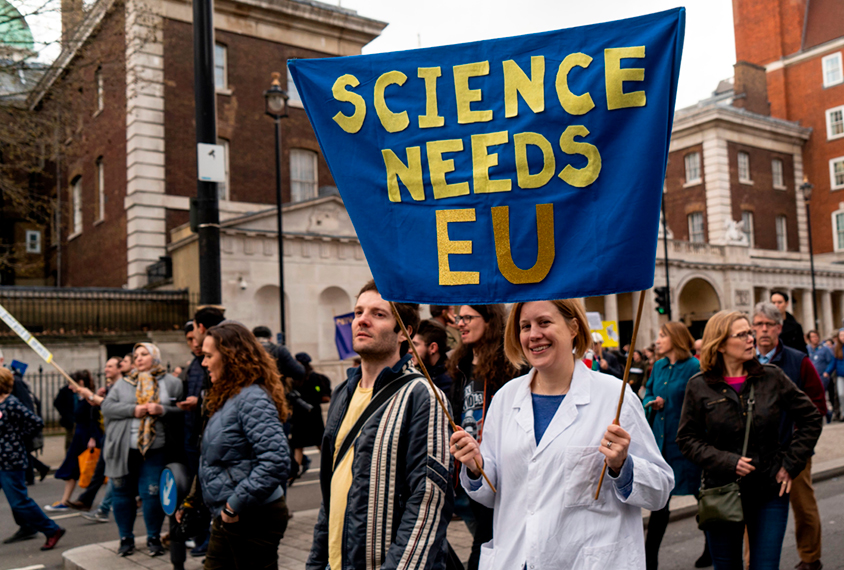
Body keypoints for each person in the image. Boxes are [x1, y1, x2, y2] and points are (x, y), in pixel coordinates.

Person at [450, 299, 674, 569]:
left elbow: (660, 490)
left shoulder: (615, 397)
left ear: (573, 328)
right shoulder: (506, 398)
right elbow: (491, 492)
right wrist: (476, 468)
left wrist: (623, 467)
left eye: (544, 322)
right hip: (515, 559)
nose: (534, 335)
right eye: (525, 326)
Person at [306, 280, 454, 570]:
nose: (362, 319)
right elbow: (331, 495)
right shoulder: (342, 393)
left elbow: (427, 501)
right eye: (358, 311)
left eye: (378, 314)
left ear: (405, 333)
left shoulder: (422, 396)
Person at [677, 310, 823, 570]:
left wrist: (790, 464)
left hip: (769, 490)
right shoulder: (699, 385)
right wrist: (726, 461)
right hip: (721, 491)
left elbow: (811, 417)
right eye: (742, 334)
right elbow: (687, 439)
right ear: (720, 344)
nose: (750, 339)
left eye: (750, 333)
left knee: (765, 566)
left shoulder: (771, 376)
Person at [183, 322, 291, 570]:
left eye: (209, 356)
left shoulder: (251, 397)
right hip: (233, 513)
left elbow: (276, 461)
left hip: (253, 515)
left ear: (231, 356)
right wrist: (193, 501)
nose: (204, 363)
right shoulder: (228, 396)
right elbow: (215, 460)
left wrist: (234, 505)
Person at [752, 302, 827, 570]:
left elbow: (817, 407)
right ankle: (753, 562)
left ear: (779, 328)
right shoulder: (744, 362)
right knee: (754, 512)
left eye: (769, 325)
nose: (763, 330)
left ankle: (810, 557)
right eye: (759, 324)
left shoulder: (798, 361)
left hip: (794, 450)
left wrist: (798, 446)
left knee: (803, 508)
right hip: (757, 454)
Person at [448, 304, 517, 570]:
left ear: (489, 321)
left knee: (484, 544)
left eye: (468, 318)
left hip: (495, 474)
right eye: (459, 318)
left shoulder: (507, 364)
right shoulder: (461, 365)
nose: (461, 323)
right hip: (466, 472)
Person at [102, 342, 184, 557]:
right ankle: (125, 538)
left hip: (155, 449)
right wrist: (133, 410)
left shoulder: (172, 383)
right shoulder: (123, 384)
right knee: (122, 493)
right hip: (124, 449)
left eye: (144, 354)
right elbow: (107, 408)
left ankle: (153, 538)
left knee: (152, 493)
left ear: (155, 356)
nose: (138, 358)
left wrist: (162, 410)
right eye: (136, 355)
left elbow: (182, 412)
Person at [642, 322, 707, 570]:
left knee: (703, 498)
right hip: (662, 445)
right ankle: (650, 561)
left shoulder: (694, 366)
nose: (657, 340)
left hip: (688, 446)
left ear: (676, 339)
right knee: (660, 504)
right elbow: (646, 393)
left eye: (662, 336)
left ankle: (711, 547)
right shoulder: (658, 366)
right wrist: (651, 402)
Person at [0, 367, 66, 549]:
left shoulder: (11, 403)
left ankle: (52, 529)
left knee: (19, 502)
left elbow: (36, 422)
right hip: (1, 460)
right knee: (18, 502)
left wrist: (17, 437)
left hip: (11, 461)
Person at [71, 357, 123, 519]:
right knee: (103, 471)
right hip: (108, 433)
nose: (106, 369)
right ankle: (91, 502)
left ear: (119, 369)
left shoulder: (123, 387)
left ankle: (101, 507)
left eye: (110, 366)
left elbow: (116, 408)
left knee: (115, 474)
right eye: (106, 366)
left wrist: (94, 397)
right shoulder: (109, 388)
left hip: (119, 434)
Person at [44, 370, 102, 512]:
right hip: (79, 436)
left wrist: (93, 437)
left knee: (98, 472)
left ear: (80, 383)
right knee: (72, 469)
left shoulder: (90, 399)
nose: (69, 387)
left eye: (71, 383)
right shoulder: (81, 398)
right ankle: (65, 501)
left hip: (86, 437)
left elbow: (94, 419)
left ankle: (110, 501)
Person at [288, 352, 330, 482]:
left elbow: (314, 395)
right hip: (308, 414)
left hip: (304, 414)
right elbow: (316, 394)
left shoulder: (302, 378)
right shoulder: (306, 377)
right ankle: (327, 467)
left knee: (304, 444)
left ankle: (295, 471)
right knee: (310, 443)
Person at [411, 319, 453, 394]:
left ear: (433, 348)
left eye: (415, 345)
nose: (410, 350)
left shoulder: (447, 380)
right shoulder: (423, 373)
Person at [825, 328, 844, 422]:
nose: (843, 337)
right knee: (841, 394)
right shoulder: (836, 348)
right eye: (841, 335)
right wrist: (827, 371)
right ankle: (843, 413)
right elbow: (833, 362)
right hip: (840, 375)